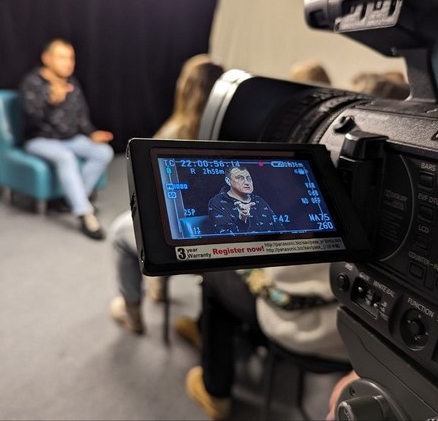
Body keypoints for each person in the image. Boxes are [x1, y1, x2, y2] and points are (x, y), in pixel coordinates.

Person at [185, 62, 349, 420]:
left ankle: (216, 389)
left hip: (304, 324)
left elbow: (270, 265)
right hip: (356, 337)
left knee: (216, 278)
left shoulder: (294, 175)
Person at [108, 54, 224, 334]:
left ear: (186, 87)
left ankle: (132, 310)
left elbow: (153, 200)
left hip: (188, 245)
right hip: (229, 245)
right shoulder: (234, 129)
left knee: (120, 233)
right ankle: (158, 284)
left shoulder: (174, 133)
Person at [20, 38, 114, 240]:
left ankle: (70, 201)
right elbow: (31, 120)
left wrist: (92, 133)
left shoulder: (72, 82)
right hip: (40, 140)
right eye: (62, 57)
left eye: (71, 58)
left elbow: (81, 117)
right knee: (65, 157)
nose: (68, 63)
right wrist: (51, 102)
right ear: (46, 58)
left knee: (103, 152)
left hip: (71, 138)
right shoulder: (32, 82)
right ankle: (84, 214)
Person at [208, 166, 284, 234]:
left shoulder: (258, 200)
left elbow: (280, 230)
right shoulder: (217, 203)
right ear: (228, 181)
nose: (247, 182)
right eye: (240, 178)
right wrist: (242, 219)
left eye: (249, 178)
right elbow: (225, 239)